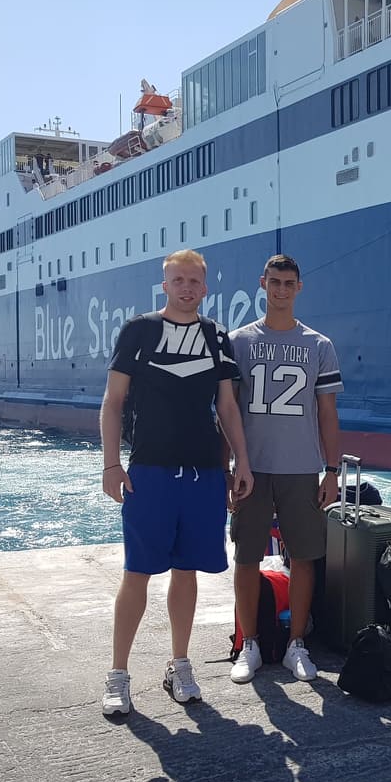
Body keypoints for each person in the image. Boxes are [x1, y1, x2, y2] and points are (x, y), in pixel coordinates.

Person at [98, 249, 253, 716]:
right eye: (178, 280)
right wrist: (111, 465)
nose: (187, 288)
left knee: (187, 572)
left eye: (194, 281)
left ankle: (179, 665)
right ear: (164, 285)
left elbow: (227, 407)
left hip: (204, 473)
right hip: (150, 471)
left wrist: (241, 463)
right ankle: (118, 675)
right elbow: (113, 401)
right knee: (137, 573)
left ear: (205, 288)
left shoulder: (216, 336)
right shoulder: (139, 331)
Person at [226, 254, 343, 684]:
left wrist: (332, 471)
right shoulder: (238, 342)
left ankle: (296, 643)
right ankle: (250, 644)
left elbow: (327, 413)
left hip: (301, 468)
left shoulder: (319, 345)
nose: (280, 290)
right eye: (274, 282)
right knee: (247, 556)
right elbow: (226, 412)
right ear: (263, 283)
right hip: (252, 469)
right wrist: (226, 469)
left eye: (288, 283)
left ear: (299, 287)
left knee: (305, 555)